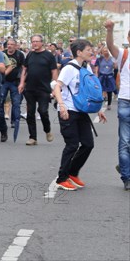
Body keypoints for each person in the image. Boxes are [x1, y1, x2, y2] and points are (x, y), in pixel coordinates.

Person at [52, 39, 107, 191]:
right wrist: (62, 105)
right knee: (72, 144)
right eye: (89, 49)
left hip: (81, 110)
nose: (92, 52)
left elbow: (90, 90)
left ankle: (73, 172)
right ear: (79, 52)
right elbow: (57, 87)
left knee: (88, 144)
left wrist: (99, 110)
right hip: (68, 110)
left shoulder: (86, 67)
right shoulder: (69, 68)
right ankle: (62, 178)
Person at [18, 34, 58, 145]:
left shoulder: (48, 56)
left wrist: (55, 87)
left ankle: (47, 130)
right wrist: (22, 83)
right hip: (30, 88)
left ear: (42, 42)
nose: (34, 43)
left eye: (37, 41)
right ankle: (33, 137)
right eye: (33, 41)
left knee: (43, 111)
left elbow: (54, 71)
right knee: (30, 113)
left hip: (44, 89)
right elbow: (25, 70)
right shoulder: (30, 55)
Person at [105, 20, 130, 190]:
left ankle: (126, 172)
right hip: (126, 101)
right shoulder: (124, 54)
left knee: (125, 142)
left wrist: (111, 30)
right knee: (125, 142)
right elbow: (110, 45)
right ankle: (127, 176)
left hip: (124, 101)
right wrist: (110, 31)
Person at [2, 39, 25, 132]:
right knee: (0, 101)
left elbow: (24, 68)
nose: (10, 46)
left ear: (16, 46)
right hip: (4, 81)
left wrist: (23, 82)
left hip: (16, 82)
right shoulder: (2, 54)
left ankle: (14, 121)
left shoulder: (20, 55)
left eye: (12, 44)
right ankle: (1, 121)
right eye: (8, 44)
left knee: (16, 103)